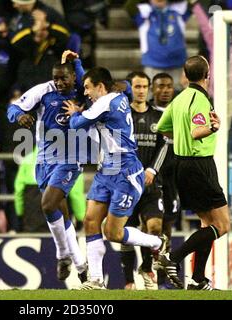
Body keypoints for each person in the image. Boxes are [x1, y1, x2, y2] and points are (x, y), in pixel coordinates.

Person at [63, 67, 167, 290]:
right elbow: (121, 85)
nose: (85, 92)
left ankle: (158, 243)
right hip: (106, 169)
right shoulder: (120, 95)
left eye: (88, 88)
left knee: (113, 233)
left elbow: (75, 124)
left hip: (126, 172)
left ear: (100, 87)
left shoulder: (105, 103)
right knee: (90, 221)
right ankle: (97, 281)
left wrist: (74, 114)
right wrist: (79, 63)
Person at [6, 58, 88, 283]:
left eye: (64, 78)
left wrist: (78, 64)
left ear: (73, 77)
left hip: (71, 157)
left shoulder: (83, 91)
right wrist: (19, 115)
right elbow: (13, 107)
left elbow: (102, 86)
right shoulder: (43, 91)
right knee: (61, 213)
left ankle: (62, 254)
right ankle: (81, 265)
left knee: (48, 204)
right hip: (44, 160)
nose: (59, 82)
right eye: (56, 78)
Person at [156, 55, 230, 290]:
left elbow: (161, 129)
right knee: (222, 225)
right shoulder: (199, 98)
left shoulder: (179, 99)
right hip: (199, 165)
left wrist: (183, 138)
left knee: (206, 223)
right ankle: (172, 257)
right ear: (207, 75)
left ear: (186, 76)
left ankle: (198, 280)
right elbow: (198, 131)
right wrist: (213, 127)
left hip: (182, 165)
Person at [119, 71, 169, 290]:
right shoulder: (121, 116)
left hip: (150, 183)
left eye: (144, 87)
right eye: (136, 87)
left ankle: (146, 268)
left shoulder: (158, 117)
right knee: (126, 233)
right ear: (130, 88)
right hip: (127, 184)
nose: (140, 91)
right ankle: (129, 281)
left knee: (154, 226)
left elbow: (164, 146)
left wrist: (152, 170)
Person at [150, 72, 180, 288]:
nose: (165, 90)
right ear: (153, 88)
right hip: (152, 176)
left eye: (169, 86)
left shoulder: (179, 112)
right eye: (161, 86)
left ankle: (162, 278)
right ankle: (145, 270)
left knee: (167, 225)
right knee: (150, 225)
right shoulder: (148, 113)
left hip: (174, 176)